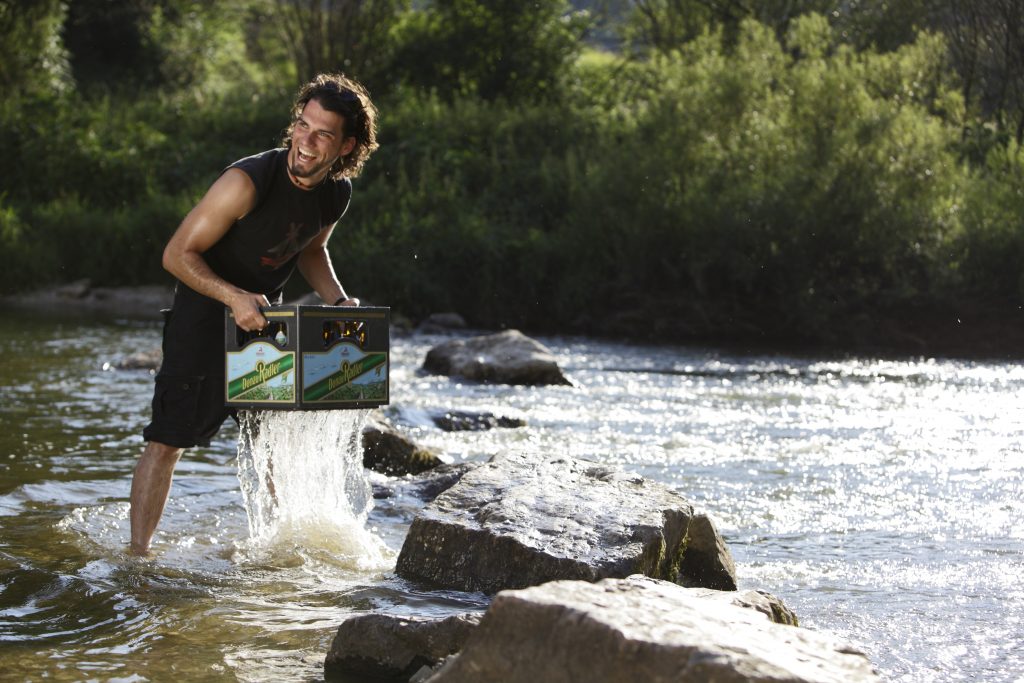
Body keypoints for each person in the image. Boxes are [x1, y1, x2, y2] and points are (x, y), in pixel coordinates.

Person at [129, 73, 379, 556]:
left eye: (323, 133)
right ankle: (137, 559)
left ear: (347, 146)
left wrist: (338, 301)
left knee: (271, 439)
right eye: (303, 125)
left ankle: (281, 552)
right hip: (202, 318)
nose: (305, 142)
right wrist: (233, 296)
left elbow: (311, 250)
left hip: (266, 325)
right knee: (168, 440)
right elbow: (176, 254)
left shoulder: (336, 194)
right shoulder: (245, 182)